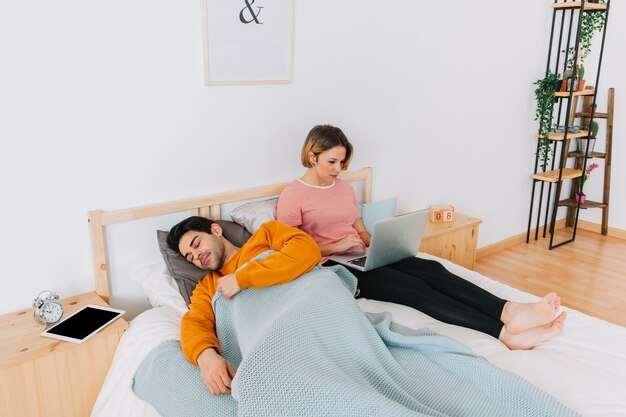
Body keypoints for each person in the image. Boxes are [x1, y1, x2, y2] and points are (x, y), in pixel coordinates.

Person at [277, 124, 567, 350]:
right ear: (312, 156)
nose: (338, 170)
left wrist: (373, 241)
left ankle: (509, 311)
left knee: (432, 270)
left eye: (342, 163)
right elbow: (290, 249)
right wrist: (334, 246)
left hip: (360, 254)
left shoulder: (342, 187)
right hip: (332, 266)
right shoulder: (293, 195)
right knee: (411, 287)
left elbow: (358, 226)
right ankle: (503, 334)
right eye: (332, 162)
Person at [166, 216, 321, 395]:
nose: (197, 256)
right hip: (271, 341)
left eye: (197, 244)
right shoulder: (207, 287)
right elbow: (195, 322)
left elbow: (307, 250)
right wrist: (206, 357)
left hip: (308, 314)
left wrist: (242, 279)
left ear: (216, 230)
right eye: (190, 257)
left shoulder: (265, 236)